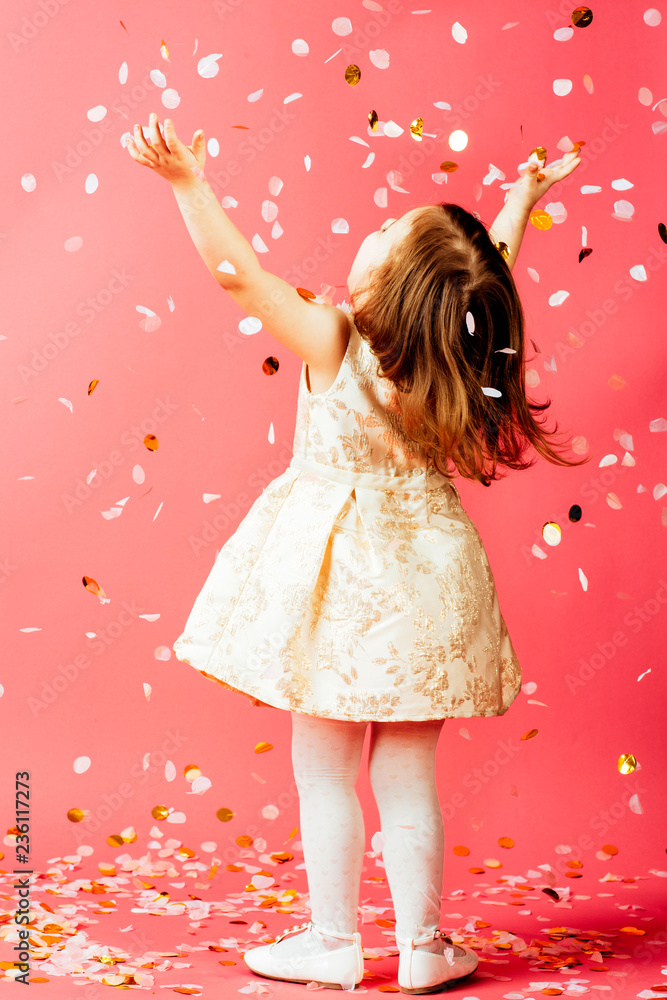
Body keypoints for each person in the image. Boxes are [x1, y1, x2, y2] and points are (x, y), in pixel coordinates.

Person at [126, 115, 585, 993]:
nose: (368, 231)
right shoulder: (454, 347)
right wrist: (518, 203)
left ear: (396, 287)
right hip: (428, 579)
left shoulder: (336, 338)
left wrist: (189, 185)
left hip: (335, 579)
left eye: (383, 234)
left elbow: (241, 282)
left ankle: (333, 941)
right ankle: (422, 946)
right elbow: (486, 283)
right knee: (408, 770)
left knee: (325, 770)